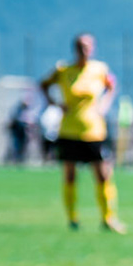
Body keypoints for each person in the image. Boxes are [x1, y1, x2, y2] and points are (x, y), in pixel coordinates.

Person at [40, 33, 124, 233]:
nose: (83, 50)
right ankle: (72, 218)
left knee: (103, 175)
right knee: (70, 175)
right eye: (80, 46)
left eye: (87, 46)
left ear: (92, 48)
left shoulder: (99, 69)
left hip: (94, 131)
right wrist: (55, 104)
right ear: (75, 49)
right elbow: (43, 85)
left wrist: (104, 105)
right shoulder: (63, 70)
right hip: (69, 130)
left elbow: (112, 86)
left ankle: (108, 218)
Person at [6, 98, 34, 165]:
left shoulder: (24, 111)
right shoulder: (18, 111)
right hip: (18, 129)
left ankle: (19, 158)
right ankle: (16, 158)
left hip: (21, 130)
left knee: (21, 145)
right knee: (17, 144)